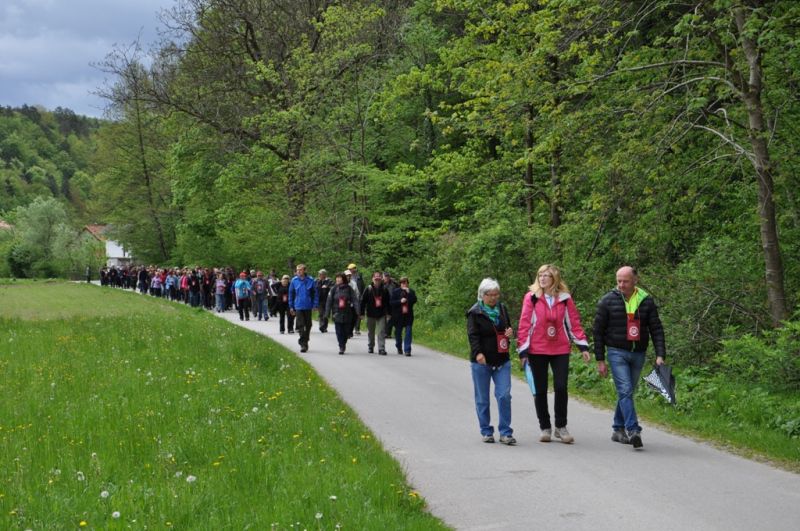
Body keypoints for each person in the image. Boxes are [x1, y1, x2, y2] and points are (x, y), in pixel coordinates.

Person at [593, 266, 666, 449]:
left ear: (635, 280)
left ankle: (618, 429)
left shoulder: (646, 301)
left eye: (625, 281)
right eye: (618, 281)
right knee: (625, 390)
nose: (621, 285)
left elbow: (656, 329)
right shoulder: (607, 301)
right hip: (616, 352)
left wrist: (660, 354)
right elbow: (597, 332)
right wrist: (600, 360)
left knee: (627, 392)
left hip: (638, 353)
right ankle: (633, 429)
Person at [516, 264, 591, 444]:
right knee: (540, 389)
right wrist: (523, 351)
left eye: (546, 275)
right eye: (540, 275)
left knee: (561, 386)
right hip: (537, 348)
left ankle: (561, 427)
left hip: (560, 349)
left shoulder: (565, 299)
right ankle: (545, 427)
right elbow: (524, 324)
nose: (542, 278)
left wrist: (583, 347)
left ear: (554, 279)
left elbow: (574, 323)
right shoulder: (531, 298)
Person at [466, 278, 516, 445]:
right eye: (490, 295)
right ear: (483, 295)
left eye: (496, 294)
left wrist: (510, 334)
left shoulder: (502, 309)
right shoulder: (475, 312)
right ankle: (486, 431)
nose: (494, 298)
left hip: (502, 360)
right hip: (482, 361)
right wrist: (478, 353)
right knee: (483, 398)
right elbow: (473, 336)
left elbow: (507, 329)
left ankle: (505, 432)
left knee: (504, 395)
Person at [325, 272, 357, 354]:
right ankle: (341, 346)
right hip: (337, 313)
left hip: (347, 313)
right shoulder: (333, 289)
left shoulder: (349, 289)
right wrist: (327, 313)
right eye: (337, 278)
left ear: (343, 279)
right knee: (339, 331)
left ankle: (343, 343)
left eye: (340, 278)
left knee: (346, 331)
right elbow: (329, 301)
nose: (338, 279)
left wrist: (358, 311)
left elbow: (355, 300)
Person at [289, 264, 318, 352]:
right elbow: (291, 294)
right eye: (297, 270)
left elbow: (315, 294)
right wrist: (291, 307)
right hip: (298, 306)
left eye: (300, 270)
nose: (298, 271)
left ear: (304, 271)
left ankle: (306, 339)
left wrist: (315, 305)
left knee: (308, 324)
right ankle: (303, 344)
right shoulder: (294, 281)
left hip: (308, 305)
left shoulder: (310, 280)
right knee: (300, 324)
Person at [361, 271, 390, 355]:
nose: (377, 279)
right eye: (375, 277)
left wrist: (388, 313)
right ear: (372, 279)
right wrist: (362, 313)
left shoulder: (385, 289)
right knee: (371, 332)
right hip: (370, 313)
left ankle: (381, 348)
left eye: (379, 277)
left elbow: (388, 302)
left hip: (381, 314)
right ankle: (371, 346)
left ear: (381, 278)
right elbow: (363, 301)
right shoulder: (368, 289)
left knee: (381, 331)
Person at [390, 276, 417, 356]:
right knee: (398, 333)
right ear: (400, 284)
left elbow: (414, 300)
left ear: (408, 283)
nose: (404, 284)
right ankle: (399, 346)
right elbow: (391, 303)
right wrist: (400, 301)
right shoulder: (396, 292)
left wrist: (409, 293)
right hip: (398, 316)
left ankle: (407, 350)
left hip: (408, 315)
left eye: (405, 282)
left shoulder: (411, 291)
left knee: (408, 332)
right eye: (402, 282)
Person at [348, 263, 365, 335]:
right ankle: (350, 328)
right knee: (351, 314)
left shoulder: (359, 277)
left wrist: (362, 296)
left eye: (351, 269)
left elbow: (362, 287)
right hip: (350, 298)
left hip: (358, 298)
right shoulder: (347, 277)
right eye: (349, 269)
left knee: (358, 312)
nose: (350, 270)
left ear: (354, 269)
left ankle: (357, 328)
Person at [344, 269, 361, 338]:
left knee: (353, 318)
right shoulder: (341, 283)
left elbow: (357, 293)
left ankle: (350, 331)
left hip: (352, 304)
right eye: (346, 276)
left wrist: (355, 301)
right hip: (344, 304)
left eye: (349, 276)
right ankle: (346, 332)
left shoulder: (353, 283)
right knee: (346, 318)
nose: (348, 277)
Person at [383, 271, 398, 338]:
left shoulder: (394, 284)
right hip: (385, 303)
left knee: (390, 318)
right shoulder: (381, 284)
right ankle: (386, 333)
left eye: (387, 276)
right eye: (385, 276)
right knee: (385, 318)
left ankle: (388, 333)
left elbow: (399, 289)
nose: (386, 278)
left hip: (392, 303)